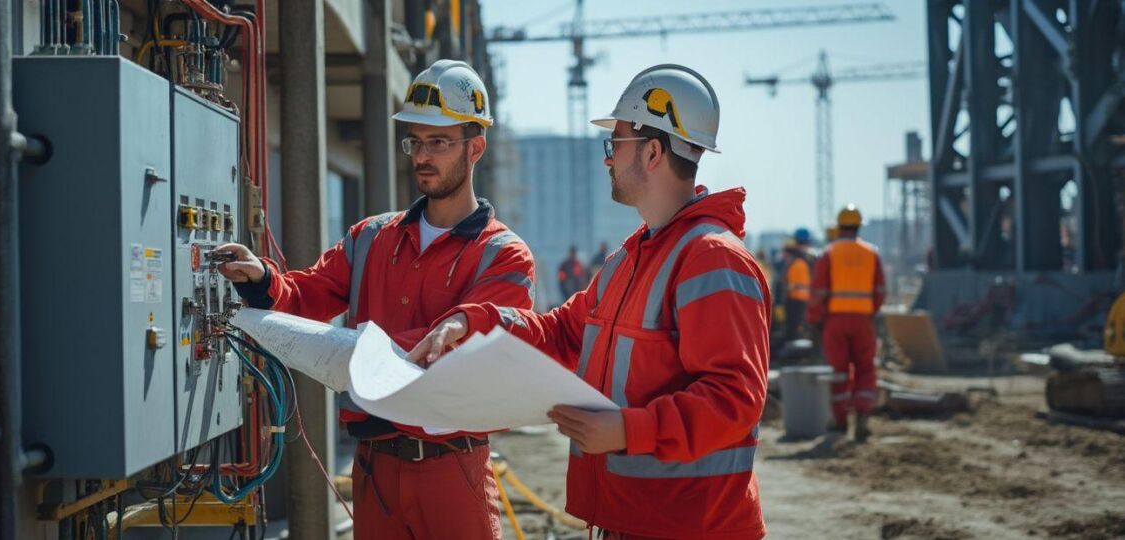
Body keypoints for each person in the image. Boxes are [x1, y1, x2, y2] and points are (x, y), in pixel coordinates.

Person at [410, 64, 770, 539]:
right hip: (630, 521)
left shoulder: (712, 259)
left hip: (692, 527)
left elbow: (735, 400)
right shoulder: (631, 257)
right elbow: (562, 332)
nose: (607, 160)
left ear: (653, 152)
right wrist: (473, 322)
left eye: (615, 144)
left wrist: (626, 431)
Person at [215, 59, 535, 540]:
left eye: (440, 142)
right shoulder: (371, 237)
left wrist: (354, 347)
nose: (423, 156)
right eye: (416, 141)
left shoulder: (503, 254)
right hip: (377, 471)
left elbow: (454, 346)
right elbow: (305, 297)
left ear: (476, 148)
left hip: (452, 469)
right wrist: (261, 277)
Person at [807, 204, 885, 442]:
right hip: (863, 320)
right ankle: (862, 415)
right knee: (865, 368)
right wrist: (870, 312)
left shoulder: (828, 253)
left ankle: (840, 422)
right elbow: (880, 290)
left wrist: (814, 320)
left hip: (835, 323)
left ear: (840, 227)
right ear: (858, 227)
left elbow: (818, 292)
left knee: (839, 372)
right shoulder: (872, 253)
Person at [782, 228, 814, 341]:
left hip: (797, 301)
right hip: (797, 301)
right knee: (793, 330)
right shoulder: (804, 260)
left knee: (794, 330)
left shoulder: (796, 260)